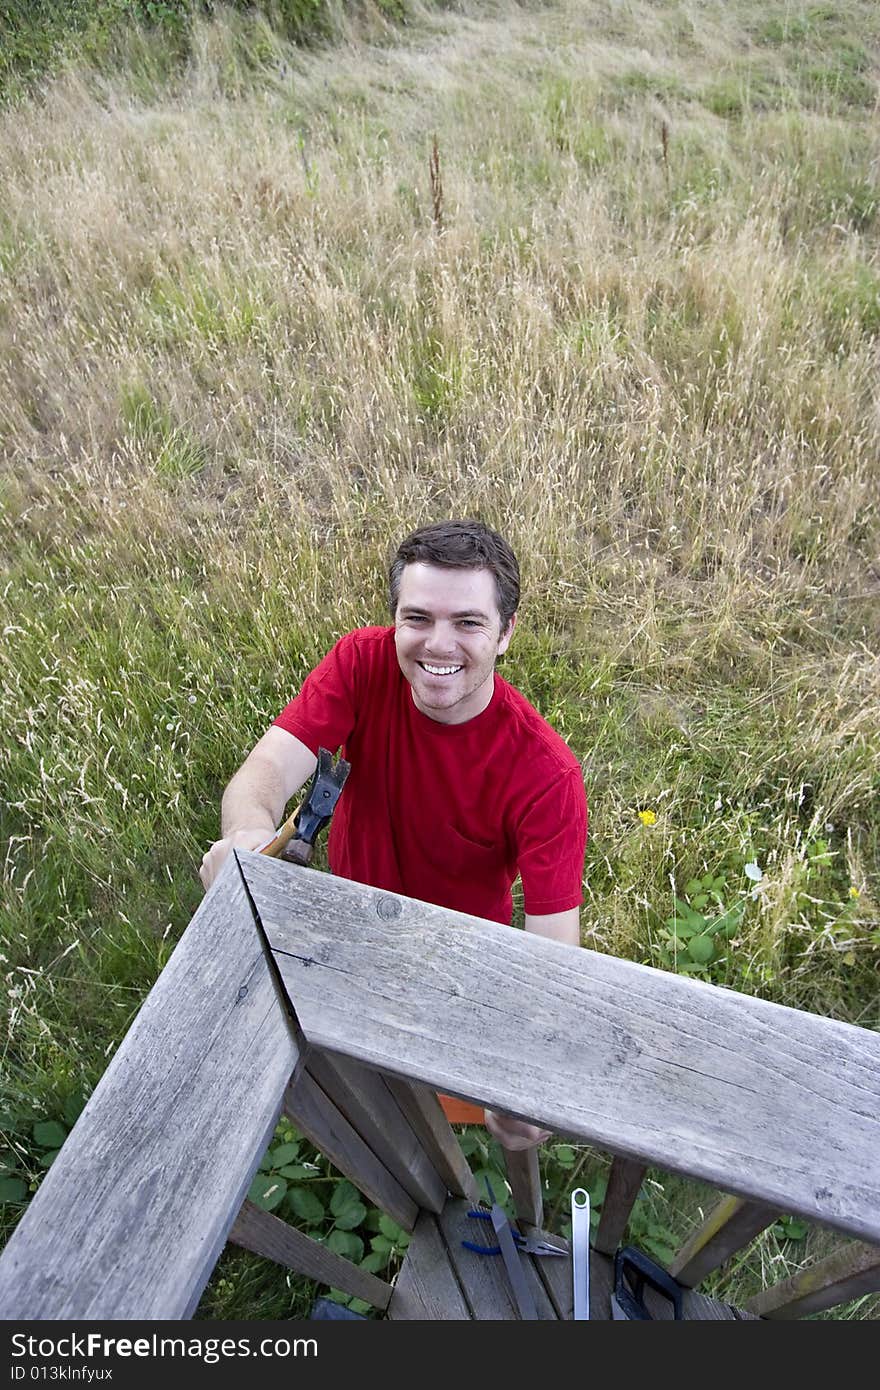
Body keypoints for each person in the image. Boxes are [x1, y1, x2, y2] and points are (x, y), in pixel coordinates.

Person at [200, 519, 588, 1149]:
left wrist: (530, 1084)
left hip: (458, 965)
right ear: (395, 620)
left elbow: (553, 955)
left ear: (507, 632)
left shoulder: (547, 776)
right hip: (344, 926)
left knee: (450, 1115)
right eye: (418, 619)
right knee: (366, 1096)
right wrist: (247, 836)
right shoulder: (362, 663)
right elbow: (266, 771)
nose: (438, 646)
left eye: (468, 622)